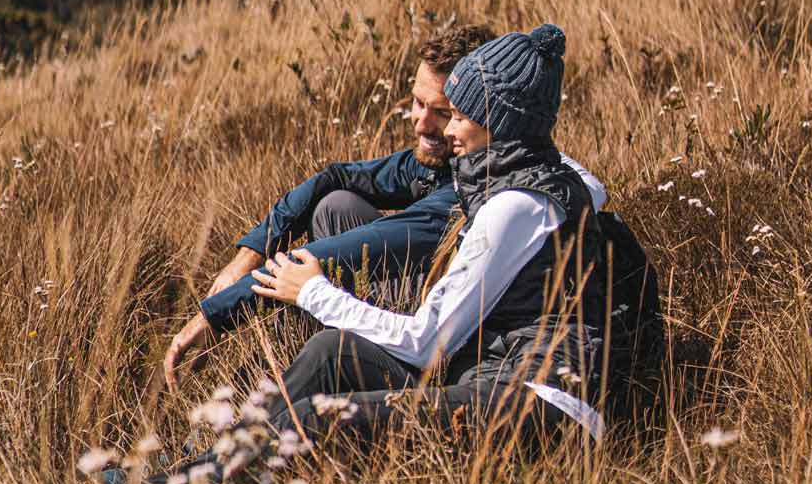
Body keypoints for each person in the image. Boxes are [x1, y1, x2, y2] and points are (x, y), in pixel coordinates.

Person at [141, 24, 629, 484]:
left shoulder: (513, 207)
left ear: (499, 122)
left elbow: (426, 344)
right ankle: (189, 477)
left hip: (538, 410)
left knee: (315, 418)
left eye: (457, 115)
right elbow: (339, 180)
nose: (446, 129)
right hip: (486, 383)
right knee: (332, 351)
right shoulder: (526, 180)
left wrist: (313, 293)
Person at [163, 23, 579, 387]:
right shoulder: (457, 165)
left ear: (483, 114)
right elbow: (337, 176)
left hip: (444, 348)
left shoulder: (486, 196)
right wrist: (250, 254)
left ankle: (274, 397)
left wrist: (223, 311)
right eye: (418, 103)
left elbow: (348, 251)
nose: (422, 123)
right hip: (432, 326)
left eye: (445, 112)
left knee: (317, 298)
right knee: (335, 204)